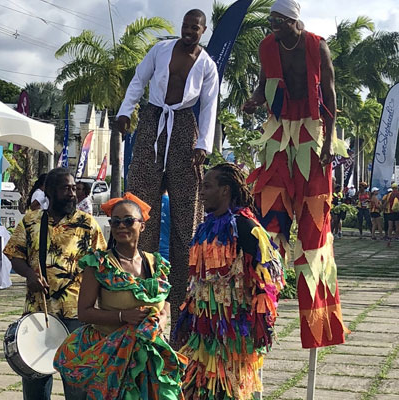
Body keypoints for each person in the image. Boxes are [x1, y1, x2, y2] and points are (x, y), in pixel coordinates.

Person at [242, 0, 348, 348]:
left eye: (278, 20)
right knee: (270, 214)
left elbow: (329, 95)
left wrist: (329, 141)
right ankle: (262, 309)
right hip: (278, 129)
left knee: (314, 219)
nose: (272, 25)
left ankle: (320, 325)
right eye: (270, 20)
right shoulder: (268, 46)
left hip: (311, 130)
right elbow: (263, 84)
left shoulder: (317, 46)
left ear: (294, 21)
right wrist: (255, 100)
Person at [116, 8, 219, 331]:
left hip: (184, 126)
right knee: (139, 201)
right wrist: (125, 111)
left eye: (195, 28)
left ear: (203, 31)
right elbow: (138, 80)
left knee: (186, 212)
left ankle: (182, 303)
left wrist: (203, 143)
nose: (189, 31)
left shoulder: (207, 65)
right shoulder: (161, 50)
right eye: (186, 26)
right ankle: (136, 284)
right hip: (153, 119)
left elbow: (210, 105)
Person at [54, 193, 187, 399]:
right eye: (115, 222)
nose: (121, 226)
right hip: (113, 358)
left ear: (142, 226)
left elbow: (165, 301)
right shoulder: (99, 264)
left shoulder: (156, 263)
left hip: (149, 356)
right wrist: (123, 316)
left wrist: (163, 317)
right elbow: (84, 313)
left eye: (128, 221)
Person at [175, 163, 286, 400]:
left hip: (233, 336)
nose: (202, 193)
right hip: (204, 332)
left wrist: (261, 322)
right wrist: (188, 316)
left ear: (225, 190)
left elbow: (267, 278)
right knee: (196, 389)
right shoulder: (205, 228)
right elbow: (198, 280)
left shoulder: (246, 227)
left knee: (226, 391)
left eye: (207, 186)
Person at [4, 167, 107, 400]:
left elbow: (101, 264)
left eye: (74, 188)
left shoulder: (88, 224)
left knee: (77, 384)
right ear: (49, 191)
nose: (72, 193)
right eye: (65, 188)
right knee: (36, 381)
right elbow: (14, 254)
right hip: (38, 310)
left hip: (76, 312)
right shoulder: (31, 221)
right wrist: (29, 275)